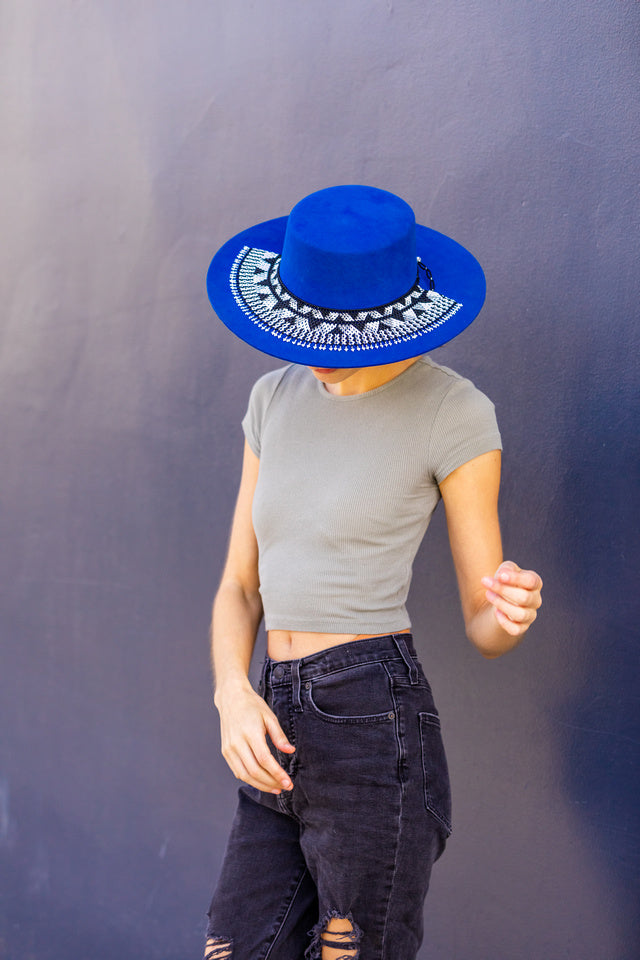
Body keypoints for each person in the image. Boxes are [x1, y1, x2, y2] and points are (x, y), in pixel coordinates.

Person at [203, 185, 543, 960]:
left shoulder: (455, 412)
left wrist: (510, 610)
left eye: (336, 341)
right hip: (272, 716)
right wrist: (231, 692)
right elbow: (239, 585)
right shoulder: (272, 397)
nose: (317, 361)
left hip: (370, 717)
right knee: (233, 946)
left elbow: (483, 624)